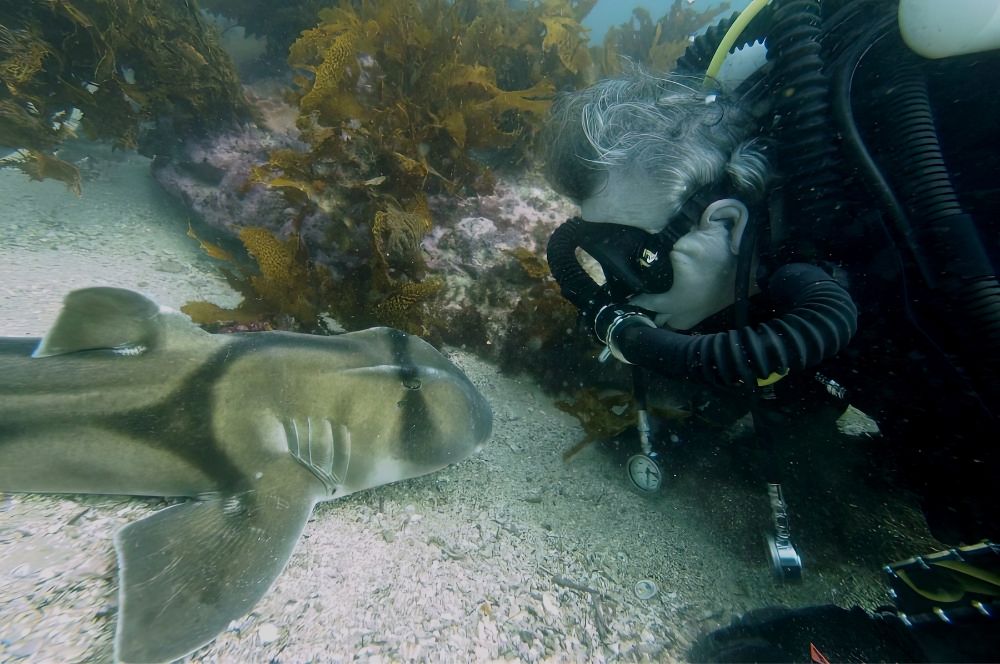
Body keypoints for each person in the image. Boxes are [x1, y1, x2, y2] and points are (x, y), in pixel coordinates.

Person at [542, 0, 1000, 548]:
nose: (623, 290)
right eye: (601, 249)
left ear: (728, 222)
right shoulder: (786, 240)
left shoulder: (921, 265)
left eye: (637, 256)